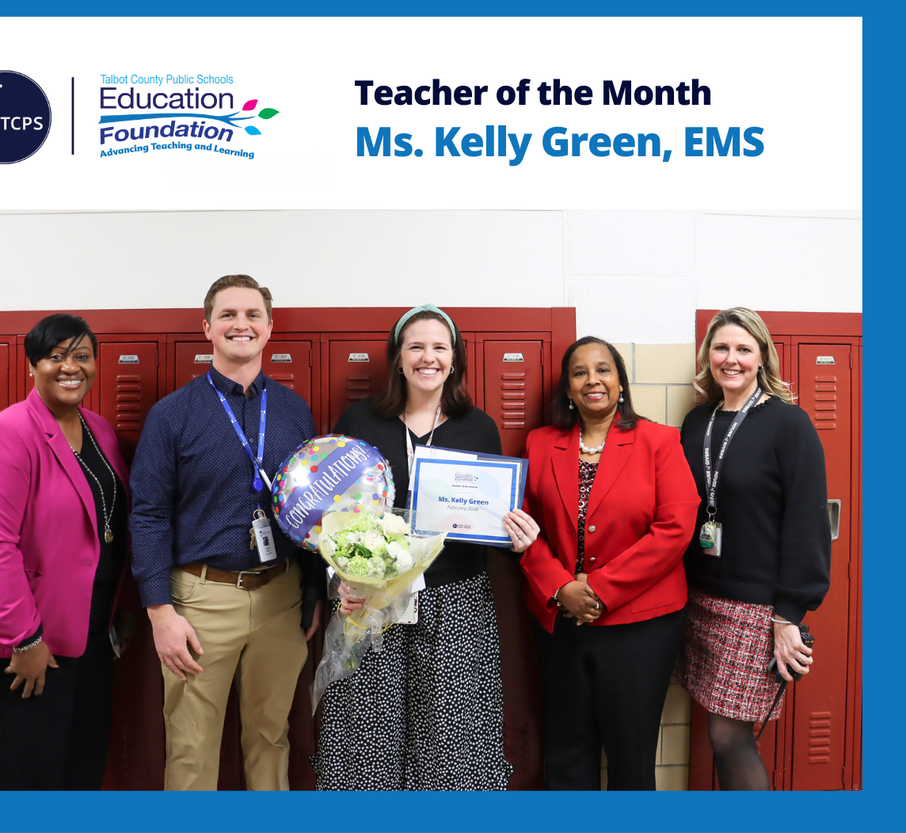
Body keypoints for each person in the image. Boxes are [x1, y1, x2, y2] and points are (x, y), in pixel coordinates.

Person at [311, 304, 541, 790]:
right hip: (372, 600)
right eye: (416, 346)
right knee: (366, 736)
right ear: (398, 358)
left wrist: (516, 542)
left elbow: (486, 524)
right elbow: (333, 519)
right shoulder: (360, 420)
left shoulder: (476, 426)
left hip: (455, 602)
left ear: (454, 360)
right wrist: (340, 583)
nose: (428, 357)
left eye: (439, 347)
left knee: (454, 737)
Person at [129, 274, 322, 791]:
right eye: (229, 315)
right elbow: (147, 515)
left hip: (280, 594)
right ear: (207, 328)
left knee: (271, 737)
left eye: (253, 314)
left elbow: (312, 509)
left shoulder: (292, 410)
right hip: (200, 600)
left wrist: (311, 589)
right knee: (191, 748)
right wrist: (159, 611)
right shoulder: (171, 415)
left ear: (270, 327)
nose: (242, 324)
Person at [0, 314, 132, 790]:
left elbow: (107, 526)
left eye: (83, 356)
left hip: (87, 633)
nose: (72, 367)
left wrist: (117, 609)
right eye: (57, 356)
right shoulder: (7, 435)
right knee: (33, 777)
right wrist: (23, 640)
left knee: (82, 768)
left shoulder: (99, 431)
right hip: (28, 639)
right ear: (33, 365)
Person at [519, 336, 700, 790]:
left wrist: (598, 590)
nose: (592, 379)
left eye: (604, 369)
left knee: (631, 754)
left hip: (641, 625)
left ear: (621, 382)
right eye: (579, 372)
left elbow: (676, 527)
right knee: (566, 750)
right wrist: (561, 587)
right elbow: (523, 529)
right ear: (567, 388)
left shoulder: (659, 440)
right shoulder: (540, 444)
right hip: (561, 622)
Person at [675, 307, 831, 790]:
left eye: (743, 349)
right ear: (707, 357)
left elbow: (807, 522)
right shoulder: (696, 423)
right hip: (700, 599)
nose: (731, 359)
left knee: (728, 737)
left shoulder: (789, 423)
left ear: (762, 357)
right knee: (716, 729)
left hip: (756, 609)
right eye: (721, 348)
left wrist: (787, 614)